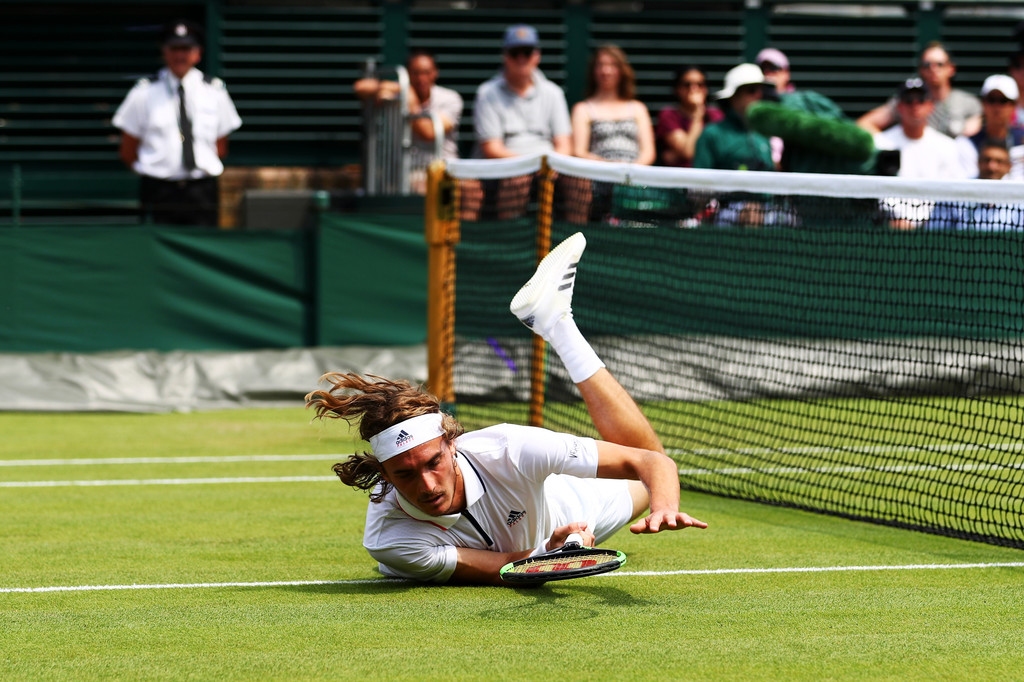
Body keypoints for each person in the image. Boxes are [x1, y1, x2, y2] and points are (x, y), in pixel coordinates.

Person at [307, 232, 707, 585]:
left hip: (582, 503)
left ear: (452, 444)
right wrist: (556, 552)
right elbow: (508, 568)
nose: (427, 485)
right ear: (385, 475)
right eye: (405, 473)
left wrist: (665, 508)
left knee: (650, 464)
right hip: (553, 539)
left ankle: (560, 325)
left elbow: (653, 464)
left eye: (433, 462)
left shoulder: (509, 448)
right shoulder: (390, 539)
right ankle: (556, 321)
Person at [112, 20, 241, 226]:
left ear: (197, 53)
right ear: (164, 52)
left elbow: (220, 146)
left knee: (203, 246)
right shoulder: (143, 93)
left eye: (186, 49)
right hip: (159, 189)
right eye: (174, 48)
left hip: (202, 190)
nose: (180, 55)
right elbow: (128, 149)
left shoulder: (215, 91)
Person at [462, 25, 572, 221]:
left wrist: (547, 166)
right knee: (517, 178)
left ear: (537, 56)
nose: (521, 58)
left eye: (527, 52)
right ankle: (510, 242)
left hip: (548, 168)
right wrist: (528, 166)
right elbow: (492, 149)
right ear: (505, 56)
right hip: (506, 170)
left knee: (580, 183)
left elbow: (564, 145)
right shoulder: (487, 93)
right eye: (515, 53)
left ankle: (576, 241)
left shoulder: (553, 93)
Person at [354, 49, 463, 163]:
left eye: (426, 72)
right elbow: (360, 87)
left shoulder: (451, 98)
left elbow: (429, 133)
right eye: (416, 73)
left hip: (442, 170)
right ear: (408, 73)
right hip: (407, 172)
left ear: (435, 72)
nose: (421, 78)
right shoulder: (401, 90)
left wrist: (410, 100)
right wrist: (396, 88)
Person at [857, 42, 982, 139]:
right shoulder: (906, 102)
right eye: (927, 65)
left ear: (951, 68)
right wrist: (888, 144)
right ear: (921, 70)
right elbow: (865, 124)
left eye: (939, 64)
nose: (933, 69)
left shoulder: (968, 103)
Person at [570, 45, 655, 165]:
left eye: (612, 65)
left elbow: (648, 153)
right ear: (593, 71)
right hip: (598, 176)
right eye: (600, 65)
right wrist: (609, 167)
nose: (606, 71)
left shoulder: (638, 108)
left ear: (622, 70)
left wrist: (629, 172)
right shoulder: (583, 109)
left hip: (635, 177)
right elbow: (578, 151)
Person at [873, 78, 965, 181]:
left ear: (930, 106)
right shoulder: (881, 144)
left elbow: (953, 188)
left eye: (921, 99)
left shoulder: (947, 146)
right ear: (899, 107)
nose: (915, 105)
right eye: (908, 100)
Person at [693, 63, 774, 172]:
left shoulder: (763, 133)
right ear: (733, 97)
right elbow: (699, 184)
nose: (758, 96)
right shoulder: (711, 135)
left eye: (762, 91)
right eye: (752, 90)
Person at [955, 75, 1024, 179]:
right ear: (983, 103)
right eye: (991, 100)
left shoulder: (1021, 143)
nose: (996, 107)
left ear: (1014, 105)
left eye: (1003, 101)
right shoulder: (965, 144)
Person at [655, 65, 723, 167]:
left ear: (706, 89)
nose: (694, 89)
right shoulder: (669, 115)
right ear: (677, 89)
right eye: (687, 84)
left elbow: (721, 152)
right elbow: (688, 151)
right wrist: (697, 115)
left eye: (700, 84)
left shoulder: (715, 115)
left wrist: (676, 155)